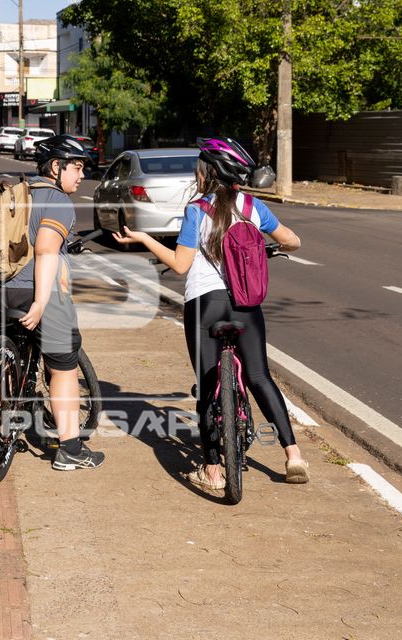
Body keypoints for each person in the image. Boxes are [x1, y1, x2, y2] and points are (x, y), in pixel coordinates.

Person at [114, 137, 308, 490]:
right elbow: (293, 241)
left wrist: (144, 238)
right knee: (260, 377)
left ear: (208, 173)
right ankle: (293, 454)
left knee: (207, 386)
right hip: (245, 303)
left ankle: (213, 470)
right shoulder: (252, 206)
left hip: (205, 303)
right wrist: (266, 247)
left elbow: (179, 264)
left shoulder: (197, 209)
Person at [0, 134, 104, 471]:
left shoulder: (14, 195)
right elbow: (46, 252)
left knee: (10, 356)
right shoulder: (57, 201)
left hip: (1, 290)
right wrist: (40, 303)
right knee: (63, 367)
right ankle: (70, 449)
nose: (81, 175)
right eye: (77, 167)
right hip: (41, 294)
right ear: (56, 167)